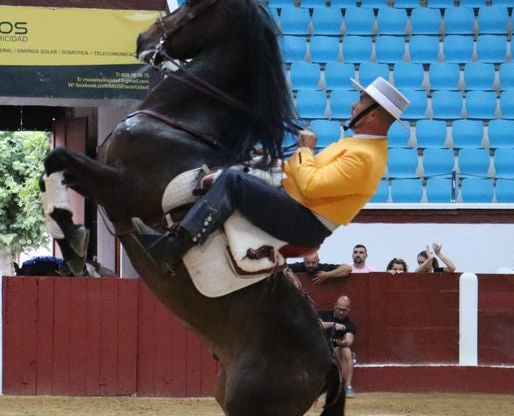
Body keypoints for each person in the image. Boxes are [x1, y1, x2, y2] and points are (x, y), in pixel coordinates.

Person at [137, 77, 411, 272]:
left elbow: (313, 186)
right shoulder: (359, 145)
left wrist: (304, 151)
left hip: (304, 221)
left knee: (234, 182)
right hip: (296, 204)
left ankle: (173, 247)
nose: (354, 105)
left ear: (374, 115)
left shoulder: (366, 157)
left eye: (361, 102)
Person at [319, 295, 358, 398]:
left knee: (346, 351)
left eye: (344, 310)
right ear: (335, 306)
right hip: (319, 350)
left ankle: (347, 385)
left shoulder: (349, 325)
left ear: (348, 310)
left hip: (335, 352)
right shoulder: (323, 314)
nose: (341, 312)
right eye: (339, 309)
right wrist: (332, 325)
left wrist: (342, 342)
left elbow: (349, 340)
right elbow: (316, 324)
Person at [287, 251, 352, 284]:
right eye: (307, 262)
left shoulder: (323, 268)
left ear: (318, 261)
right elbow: (280, 267)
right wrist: (288, 273)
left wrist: (328, 275)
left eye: (313, 263)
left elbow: (348, 268)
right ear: (304, 261)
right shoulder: (299, 266)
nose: (310, 265)